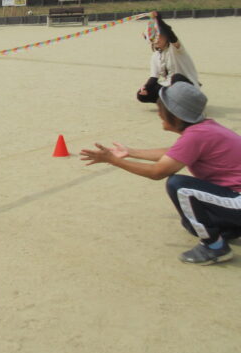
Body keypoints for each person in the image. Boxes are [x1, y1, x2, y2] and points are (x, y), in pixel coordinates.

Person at [81, 82, 241, 265]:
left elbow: (157, 172)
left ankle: (214, 248)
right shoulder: (204, 129)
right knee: (191, 223)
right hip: (234, 198)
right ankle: (231, 228)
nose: (159, 114)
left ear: (176, 116)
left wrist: (113, 160)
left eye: (162, 110)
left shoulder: (197, 136)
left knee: (180, 187)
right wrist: (131, 152)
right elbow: (174, 153)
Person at [137, 12, 200, 103]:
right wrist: (146, 87)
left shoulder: (175, 48)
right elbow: (154, 77)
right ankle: (171, 100)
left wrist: (158, 19)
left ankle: (175, 100)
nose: (157, 39)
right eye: (154, 37)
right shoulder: (155, 56)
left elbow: (171, 35)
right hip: (169, 86)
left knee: (177, 78)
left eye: (159, 35)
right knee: (141, 95)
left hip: (186, 86)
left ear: (166, 36)